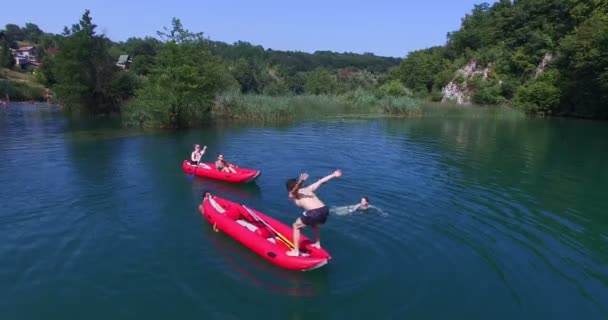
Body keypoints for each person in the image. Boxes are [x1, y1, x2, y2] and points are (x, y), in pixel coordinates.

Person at [285, 169, 342, 256]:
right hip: (325, 209)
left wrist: (300, 182)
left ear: (289, 189)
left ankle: (296, 251)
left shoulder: (292, 194)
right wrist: (333, 175)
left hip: (315, 212)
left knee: (295, 226)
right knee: (314, 223)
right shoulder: (308, 189)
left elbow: (294, 191)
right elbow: (321, 181)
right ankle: (317, 243)